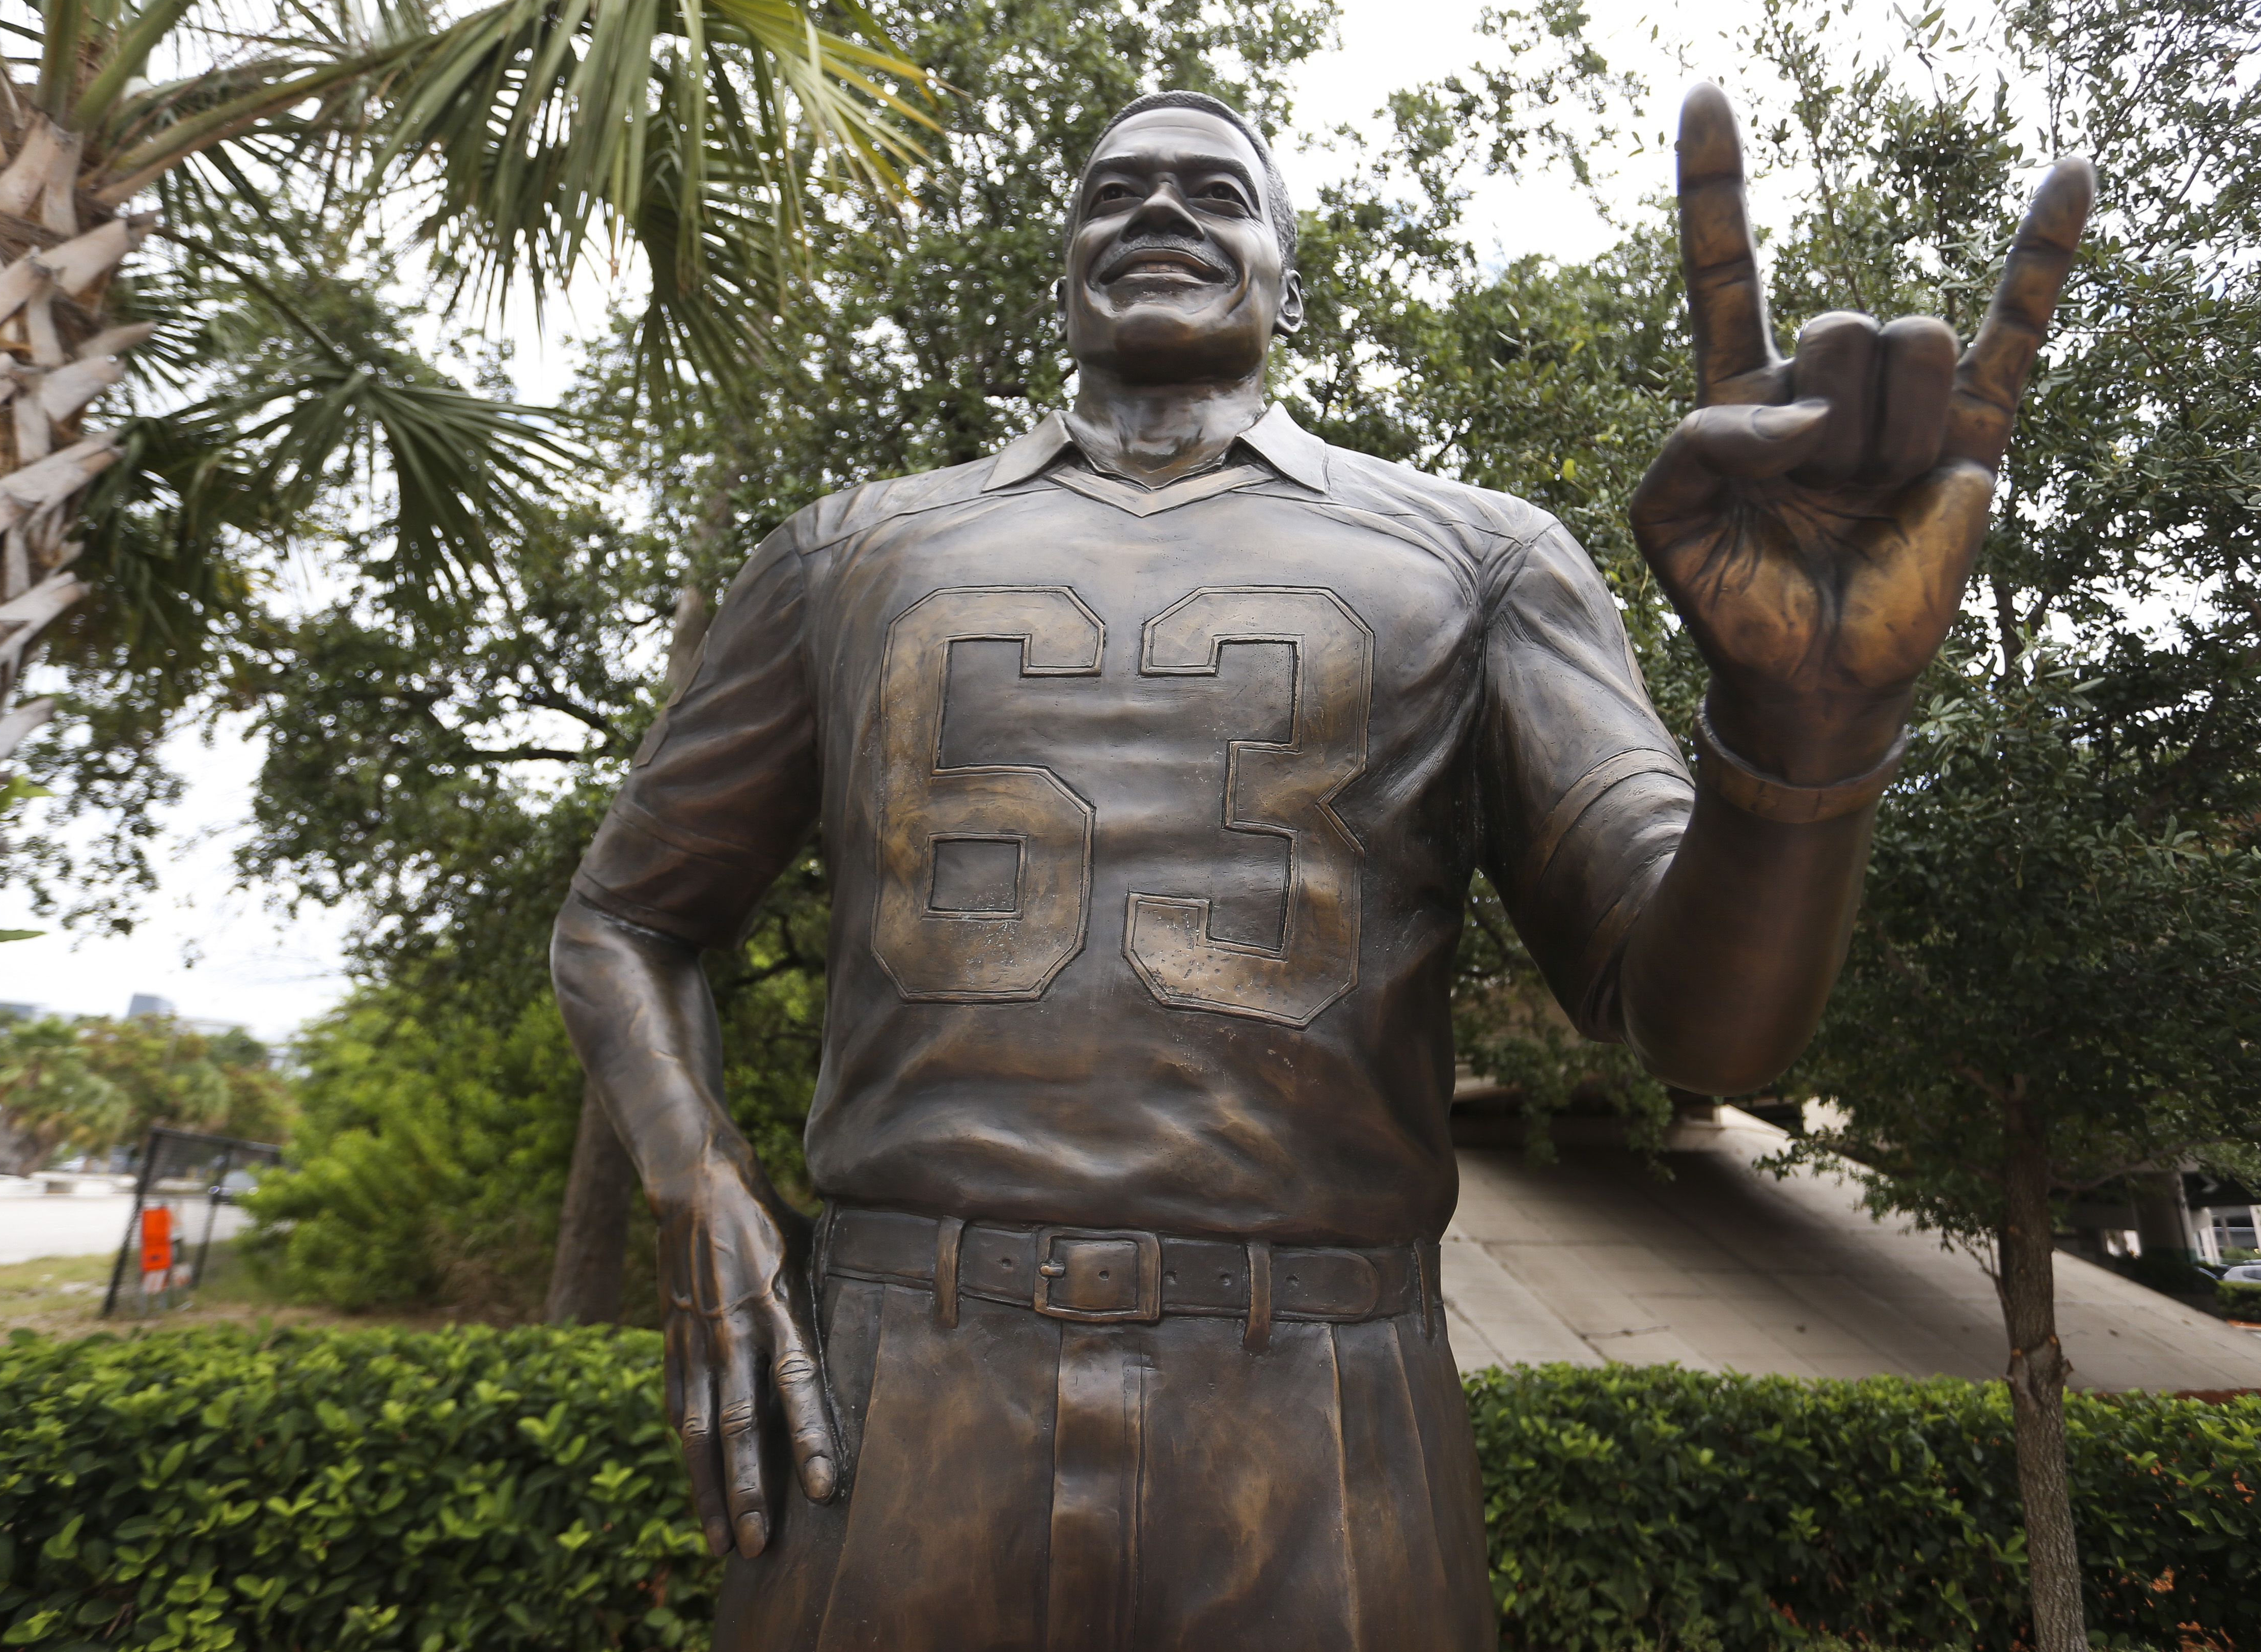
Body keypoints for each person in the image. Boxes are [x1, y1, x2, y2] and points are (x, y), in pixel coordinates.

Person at [550, 85, 2091, 1651]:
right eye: (1114, 188)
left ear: (1288, 270)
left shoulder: (1479, 559)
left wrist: (1800, 737)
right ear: (1060, 266)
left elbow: (1701, 1028)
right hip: (905, 1381)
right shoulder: (848, 553)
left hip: (1320, 1399)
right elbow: (623, 913)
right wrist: (698, 1181)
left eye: (1215, 193)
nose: (1159, 211)